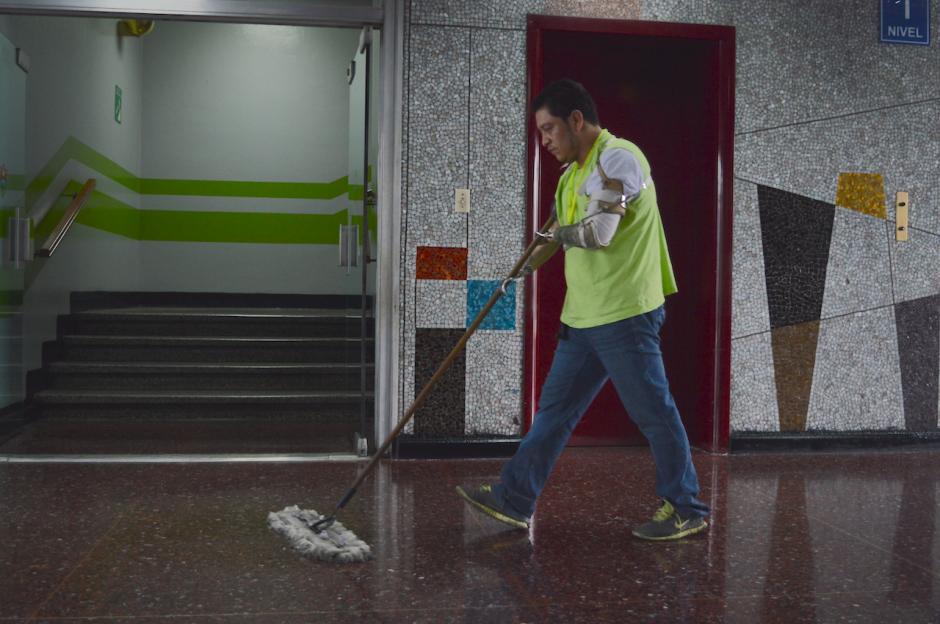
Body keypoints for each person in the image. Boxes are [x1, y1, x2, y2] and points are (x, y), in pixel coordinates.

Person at [456, 79, 709, 541]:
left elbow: (598, 233)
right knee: (553, 413)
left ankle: (686, 507)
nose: (546, 140)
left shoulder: (619, 159)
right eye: (541, 133)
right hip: (584, 316)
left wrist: (554, 236)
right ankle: (514, 500)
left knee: (654, 412)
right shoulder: (572, 174)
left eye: (550, 129)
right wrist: (514, 276)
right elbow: (551, 234)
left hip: (625, 313)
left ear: (577, 119)